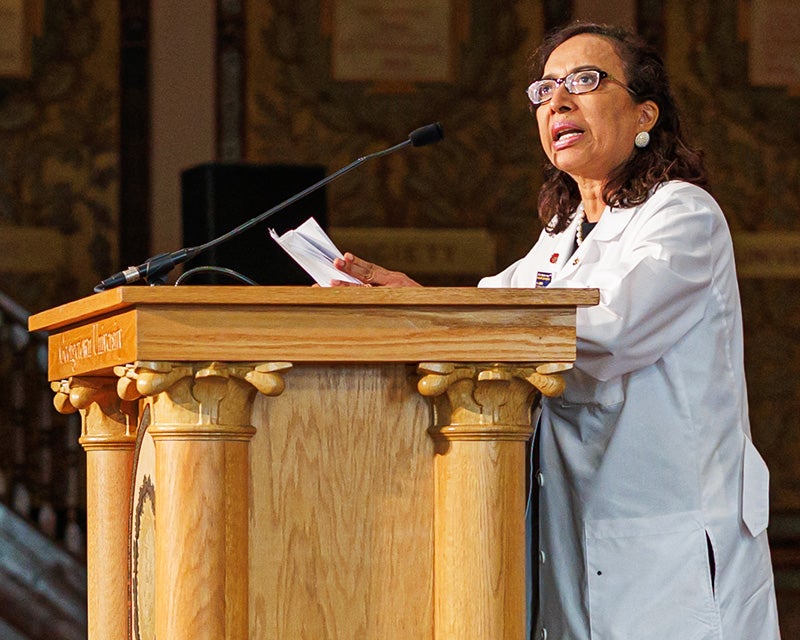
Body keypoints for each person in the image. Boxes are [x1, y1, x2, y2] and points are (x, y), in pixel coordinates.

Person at [332, 21, 781, 640]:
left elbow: (607, 335)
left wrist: (436, 317)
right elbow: (489, 309)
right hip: (576, 544)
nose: (558, 102)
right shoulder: (560, 237)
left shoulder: (682, 216)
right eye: (544, 91)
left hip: (669, 550)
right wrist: (404, 305)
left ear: (643, 112)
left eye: (584, 82)